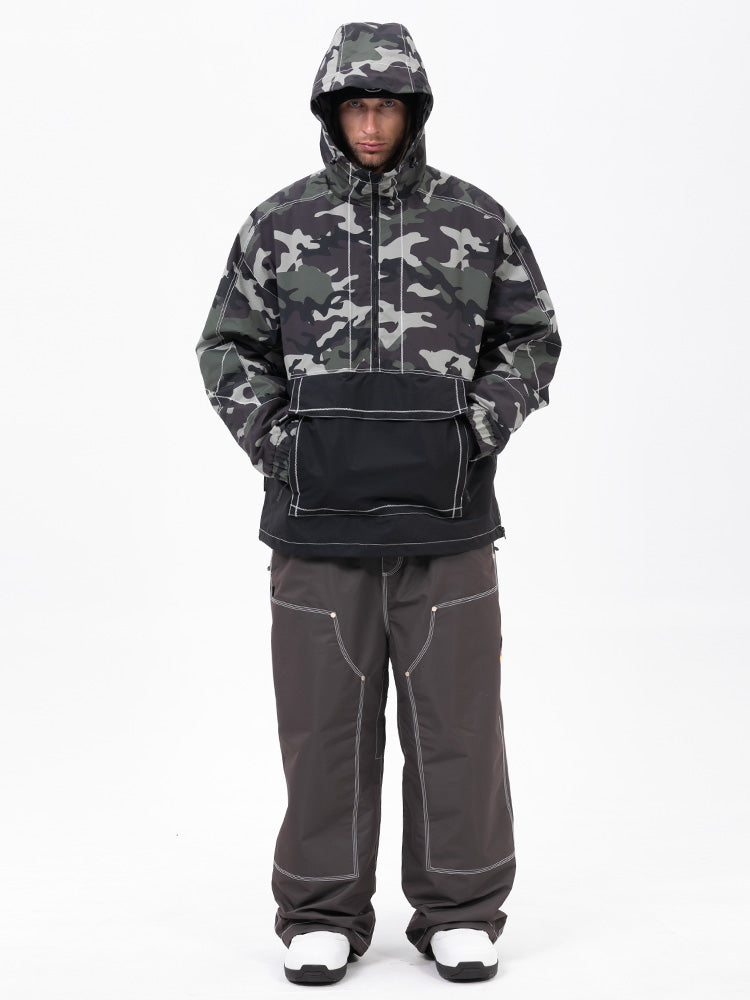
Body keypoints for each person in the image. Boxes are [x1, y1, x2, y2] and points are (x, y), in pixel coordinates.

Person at [195, 21, 560, 985]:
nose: (369, 125)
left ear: (413, 114)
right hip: (316, 527)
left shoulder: (475, 219)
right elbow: (225, 348)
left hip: (448, 523)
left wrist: (474, 430)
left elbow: (532, 338)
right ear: (330, 112)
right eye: (355, 106)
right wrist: (283, 448)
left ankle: (460, 909)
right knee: (323, 725)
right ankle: (321, 910)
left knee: (459, 725)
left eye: (386, 107)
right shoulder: (279, 223)